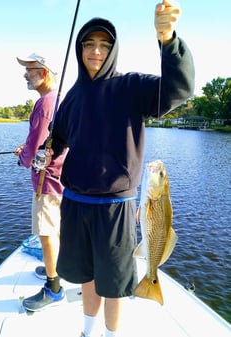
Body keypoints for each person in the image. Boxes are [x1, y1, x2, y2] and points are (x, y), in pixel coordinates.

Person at [45, 1, 194, 336]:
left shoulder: (131, 88)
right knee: (86, 276)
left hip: (114, 208)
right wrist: (47, 150)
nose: (96, 51)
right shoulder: (72, 95)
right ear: (80, 49)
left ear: (112, 51)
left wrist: (168, 40)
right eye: (89, 44)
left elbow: (179, 90)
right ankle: (87, 330)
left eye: (104, 45)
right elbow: (60, 137)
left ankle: (111, 334)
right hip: (75, 204)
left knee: (113, 284)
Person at [14, 53, 66, 311]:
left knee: (46, 232)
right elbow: (45, 142)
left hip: (48, 181)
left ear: (44, 73)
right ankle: (52, 265)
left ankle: (53, 287)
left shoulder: (45, 103)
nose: (25, 73)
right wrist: (28, 150)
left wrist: (23, 157)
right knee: (55, 228)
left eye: (30, 69)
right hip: (60, 178)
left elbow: (33, 150)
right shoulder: (57, 100)